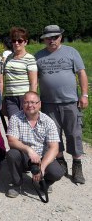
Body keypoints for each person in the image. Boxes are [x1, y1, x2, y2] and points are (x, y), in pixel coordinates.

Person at [35, 25, 88, 184]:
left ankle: (77, 165)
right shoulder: (38, 56)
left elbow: (81, 73)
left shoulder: (71, 52)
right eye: (49, 38)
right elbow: (34, 79)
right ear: (44, 39)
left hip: (70, 102)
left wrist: (84, 95)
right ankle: (60, 161)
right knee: (53, 136)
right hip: (48, 104)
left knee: (74, 134)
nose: (52, 40)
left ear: (60, 37)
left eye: (55, 37)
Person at [6, 91, 64, 198]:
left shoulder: (48, 122)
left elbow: (54, 148)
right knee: (12, 154)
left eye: (33, 102)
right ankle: (17, 184)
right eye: (26, 102)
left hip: (42, 156)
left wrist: (42, 167)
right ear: (22, 104)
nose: (30, 105)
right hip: (24, 154)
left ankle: (45, 182)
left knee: (57, 172)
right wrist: (29, 150)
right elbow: (11, 140)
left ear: (40, 104)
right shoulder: (15, 118)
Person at [3, 27, 37, 119]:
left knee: (26, 123)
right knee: (14, 123)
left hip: (24, 96)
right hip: (10, 97)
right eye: (14, 41)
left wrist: (32, 99)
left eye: (20, 41)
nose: (16, 43)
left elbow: (33, 82)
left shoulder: (29, 58)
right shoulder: (9, 57)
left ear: (25, 42)